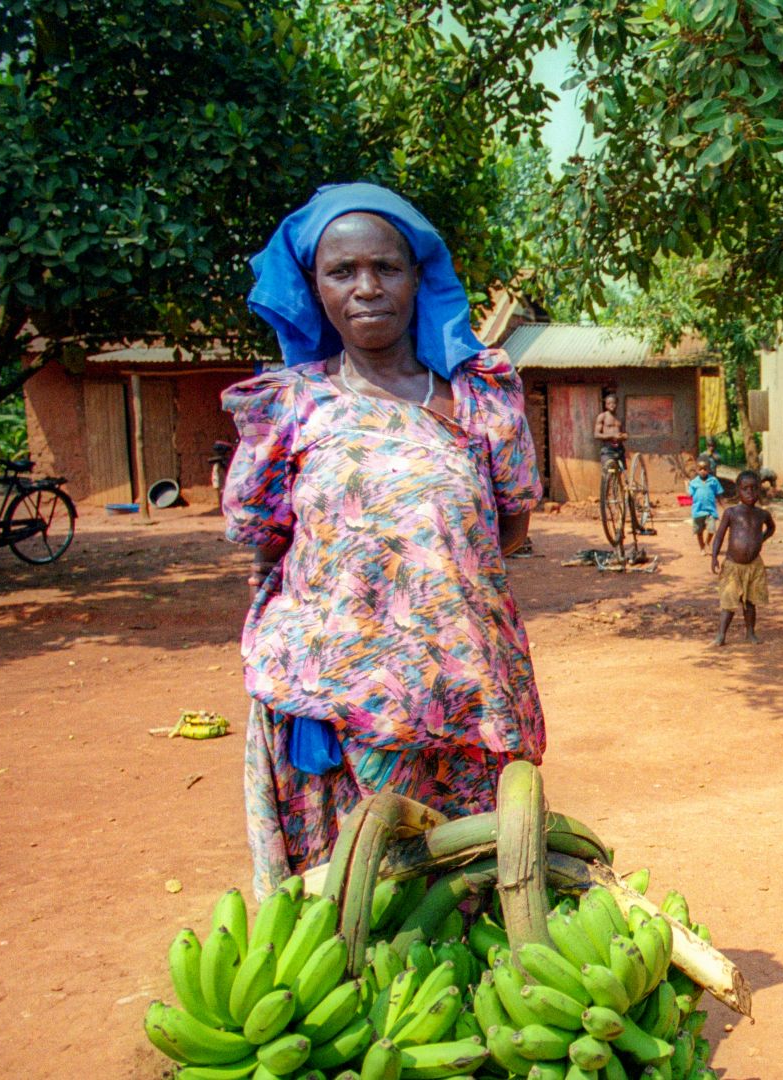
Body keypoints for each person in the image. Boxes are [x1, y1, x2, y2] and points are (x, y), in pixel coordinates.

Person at [224, 183, 545, 899]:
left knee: (464, 893)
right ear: (314, 287)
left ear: (418, 278)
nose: (366, 288)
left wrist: (434, 573)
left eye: (386, 268)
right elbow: (262, 536)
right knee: (356, 899)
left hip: (464, 697)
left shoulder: (477, 399)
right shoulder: (291, 405)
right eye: (342, 272)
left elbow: (512, 520)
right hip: (342, 710)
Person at [711, 469, 774, 645]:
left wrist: (762, 538)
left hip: (753, 566)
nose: (750, 492)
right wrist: (714, 556)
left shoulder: (762, 514)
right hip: (733, 566)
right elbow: (720, 536)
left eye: (754, 488)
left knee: (750, 602)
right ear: (738, 490)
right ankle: (721, 635)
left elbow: (771, 528)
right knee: (729, 602)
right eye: (745, 488)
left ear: (759, 491)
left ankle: (750, 633)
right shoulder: (731, 513)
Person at [687, 456, 721, 553]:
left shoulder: (713, 481)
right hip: (698, 511)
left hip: (710, 510)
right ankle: (702, 547)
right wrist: (686, 485)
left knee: (711, 530)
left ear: (709, 470)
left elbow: (719, 494)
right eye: (700, 469)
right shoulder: (694, 483)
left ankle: (707, 542)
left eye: (705, 469)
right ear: (697, 470)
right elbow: (689, 494)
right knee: (699, 531)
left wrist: (723, 505)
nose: (703, 471)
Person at [594, 390, 626, 471]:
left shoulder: (620, 418)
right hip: (608, 449)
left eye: (614, 403)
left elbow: (625, 434)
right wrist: (612, 436)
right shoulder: (603, 416)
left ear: (617, 404)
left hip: (619, 449)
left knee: (620, 471)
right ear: (606, 405)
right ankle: (606, 483)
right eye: (609, 403)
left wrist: (623, 436)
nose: (612, 405)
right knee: (607, 471)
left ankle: (618, 483)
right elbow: (596, 434)